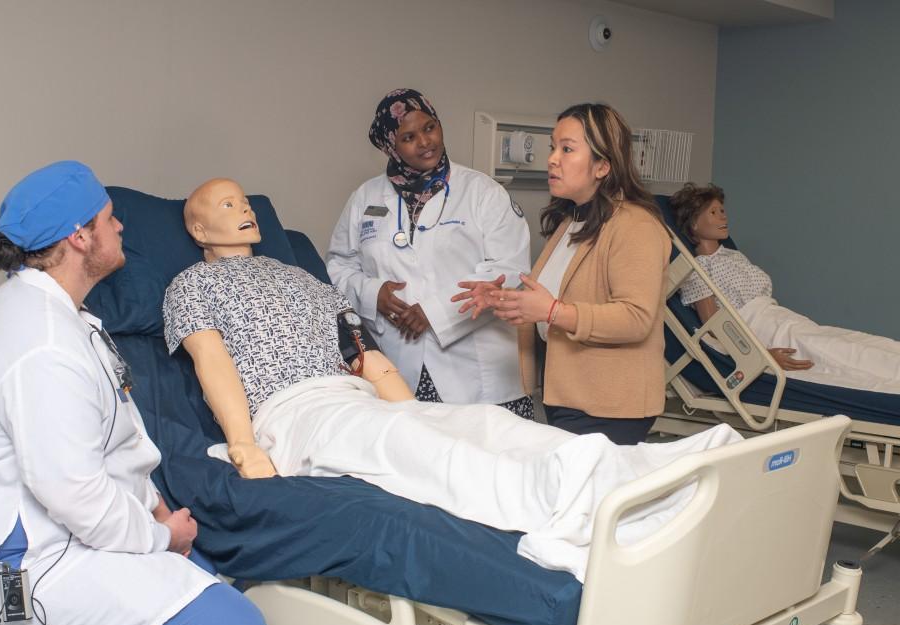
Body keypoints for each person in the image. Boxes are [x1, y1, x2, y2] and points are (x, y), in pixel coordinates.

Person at [162, 177, 739, 580]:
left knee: (478, 424)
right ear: (197, 227)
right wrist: (243, 445)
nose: (244, 208)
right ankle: (585, 506)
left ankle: (648, 471)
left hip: (361, 398)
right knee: (424, 450)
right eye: (226, 202)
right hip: (295, 413)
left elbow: (362, 355)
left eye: (245, 199)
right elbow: (213, 366)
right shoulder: (192, 285)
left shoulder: (302, 279)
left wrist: (413, 409)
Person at [0, 162, 266, 625]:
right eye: (109, 218)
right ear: (80, 237)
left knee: (203, 584)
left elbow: (117, 447)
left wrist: (156, 510)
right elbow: (75, 493)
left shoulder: (71, 320)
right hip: (15, 568)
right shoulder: (42, 343)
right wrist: (162, 539)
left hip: (58, 537)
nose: (121, 226)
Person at [453, 103, 671, 445]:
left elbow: (635, 317)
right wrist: (504, 300)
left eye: (567, 149)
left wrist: (553, 312)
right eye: (553, 147)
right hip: (570, 396)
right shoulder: (572, 222)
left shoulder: (635, 226)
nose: (552, 158)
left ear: (602, 165)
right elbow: (555, 300)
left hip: (612, 405)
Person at [326, 88, 533, 417]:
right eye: (408, 137)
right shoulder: (365, 198)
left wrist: (434, 313)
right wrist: (373, 293)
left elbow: (509, 271)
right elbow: (338, 266)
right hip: (399, 367)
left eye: (430, 127)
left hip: (479, 379)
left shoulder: (483, 193)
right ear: (390, 145)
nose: (425, 142)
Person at [670, 182, 900, 393]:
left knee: (857, 343)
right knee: (844, 356)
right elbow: (712, 330)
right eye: (713, 212)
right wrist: (760, 356)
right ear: (693, 224)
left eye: (722, 210)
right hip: (764, 333)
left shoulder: (734, 256)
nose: (723, 217)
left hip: (785, 320)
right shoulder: (697, 270)